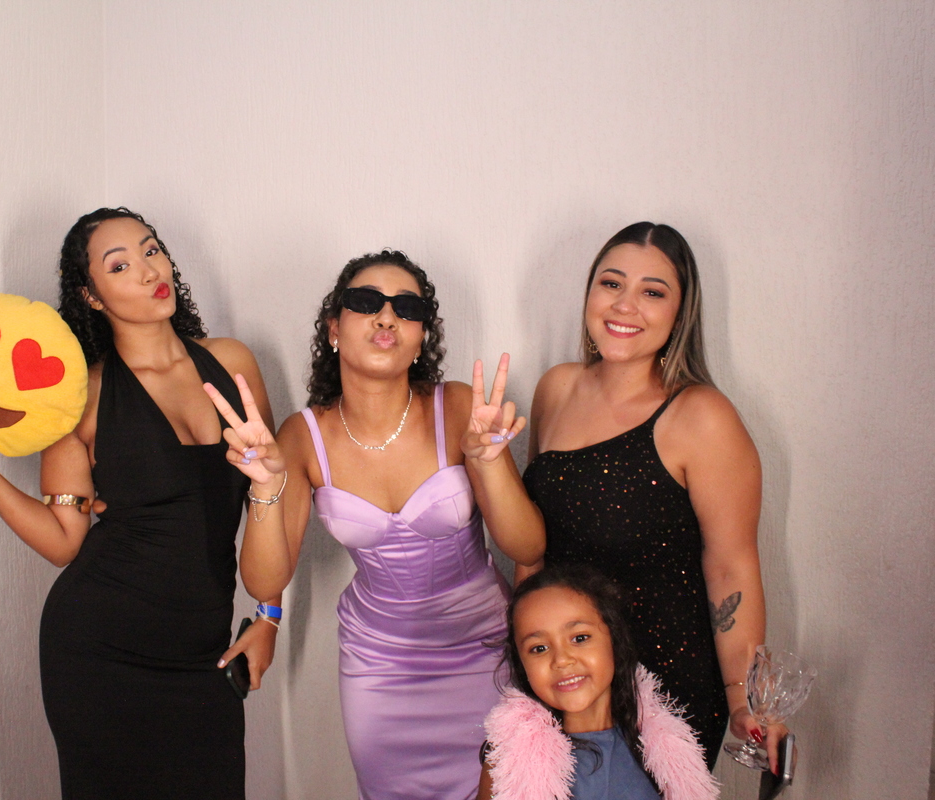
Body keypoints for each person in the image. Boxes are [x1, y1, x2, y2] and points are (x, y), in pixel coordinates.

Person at [0, 207, 282, 799]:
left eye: (151, 250)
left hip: (204, 650)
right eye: (119, 265)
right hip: (100, 652)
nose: (148, 270)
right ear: (91, 296)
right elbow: (63, 542)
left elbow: (270, 500)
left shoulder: (234, 363)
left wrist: (269, 614)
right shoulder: (83, 397)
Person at [254, 250, 544, 800]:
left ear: (420, 339)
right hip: (379, 666)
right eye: (366, 302)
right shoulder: (303, 436)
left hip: (484, 650)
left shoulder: (457, 407)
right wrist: (265, 487)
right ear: (333, 328)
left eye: (406, 308)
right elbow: (265, 581)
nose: (386, 316)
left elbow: (527, 546)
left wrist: (488, 463)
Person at [507, 221, 783, 769]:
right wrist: (525, 663)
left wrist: (742, 700)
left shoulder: (701, 416)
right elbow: (535, 544)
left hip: (667, 686)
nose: (625, 305)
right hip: (565, 676)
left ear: (680, 314)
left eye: (652, 292)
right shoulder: (556, 388)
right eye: (611, 283)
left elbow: (730, 568)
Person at [477, 565, 719, 800]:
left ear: (614, 639)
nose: (562, 660)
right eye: (539, 648)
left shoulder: (664, 749)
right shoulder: (509, 761)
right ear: (522, 664)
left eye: (580, 638)